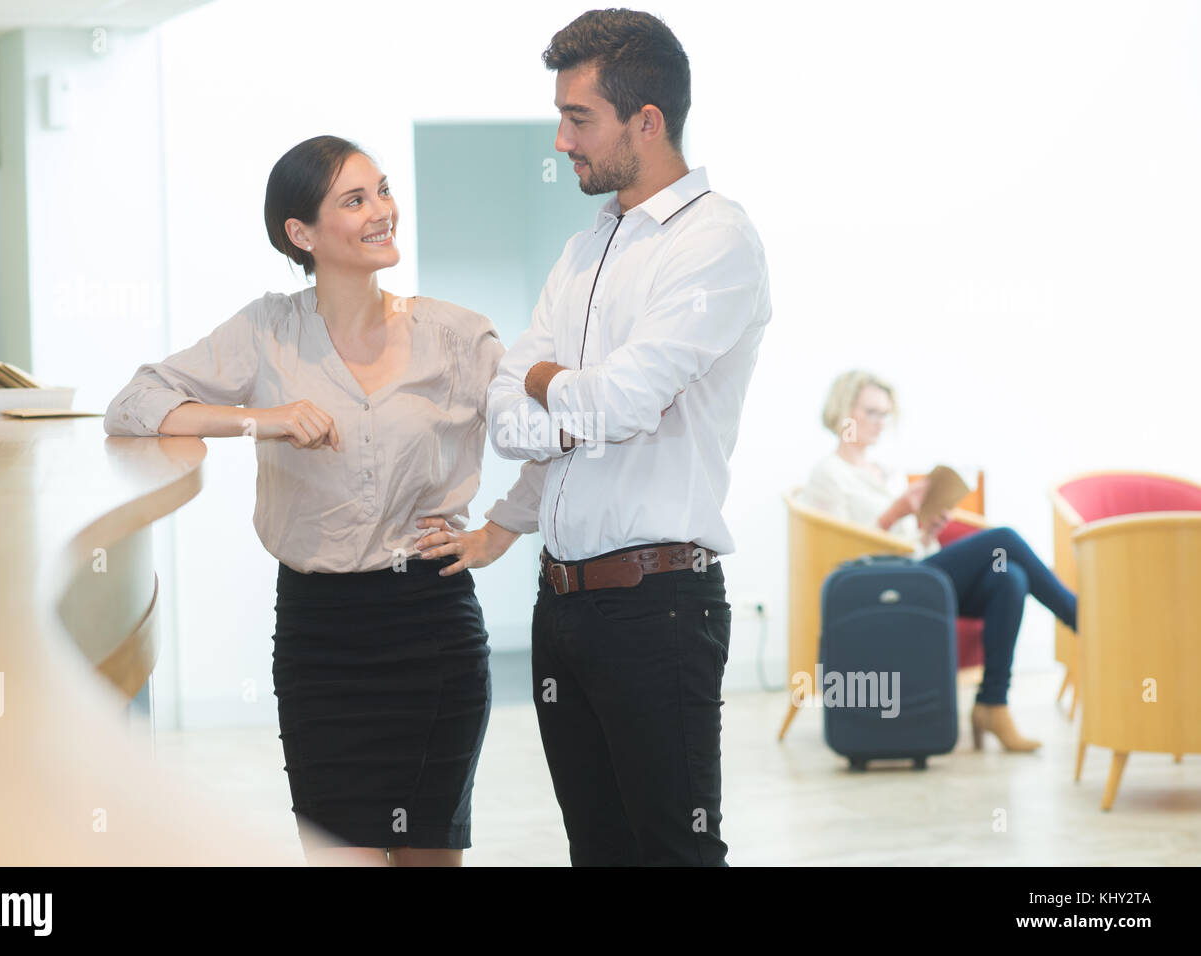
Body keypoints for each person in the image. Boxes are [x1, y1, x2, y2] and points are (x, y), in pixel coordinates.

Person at [104, 135, 548, 866]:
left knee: (429, 856)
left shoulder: (457, 336)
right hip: (321, 641)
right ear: (301, 234)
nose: (382, 212)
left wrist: (500, 530)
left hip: (431, 631)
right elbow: (134, 404)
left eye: (382, 191)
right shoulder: (266, 332)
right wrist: (262, 420)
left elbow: (548, 436)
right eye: (355, 199)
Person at [487, 10, 771, 866]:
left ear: (646, 120)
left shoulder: (716, 241)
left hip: (657, 608)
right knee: (598, 854)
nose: (563, 139)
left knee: (673, 854)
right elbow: (505, 413)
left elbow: (622, 401)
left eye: (580, 119)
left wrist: (543, 380)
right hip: (562, 605)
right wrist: (546, 389)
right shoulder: (586, 247)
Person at [800, 369, 1078, 752]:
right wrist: (894, 512)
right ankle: (1076, 615)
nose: (880, 423)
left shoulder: (890, 474)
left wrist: (927, 532)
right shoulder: (828, 474)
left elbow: (909, 545)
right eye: (872, 412)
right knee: (1004, 539)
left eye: (885, 414)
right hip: (877, 585)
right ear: (844, 410)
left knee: (1008, 577)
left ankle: (992, 705)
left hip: (916, 573)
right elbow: (840, 551)